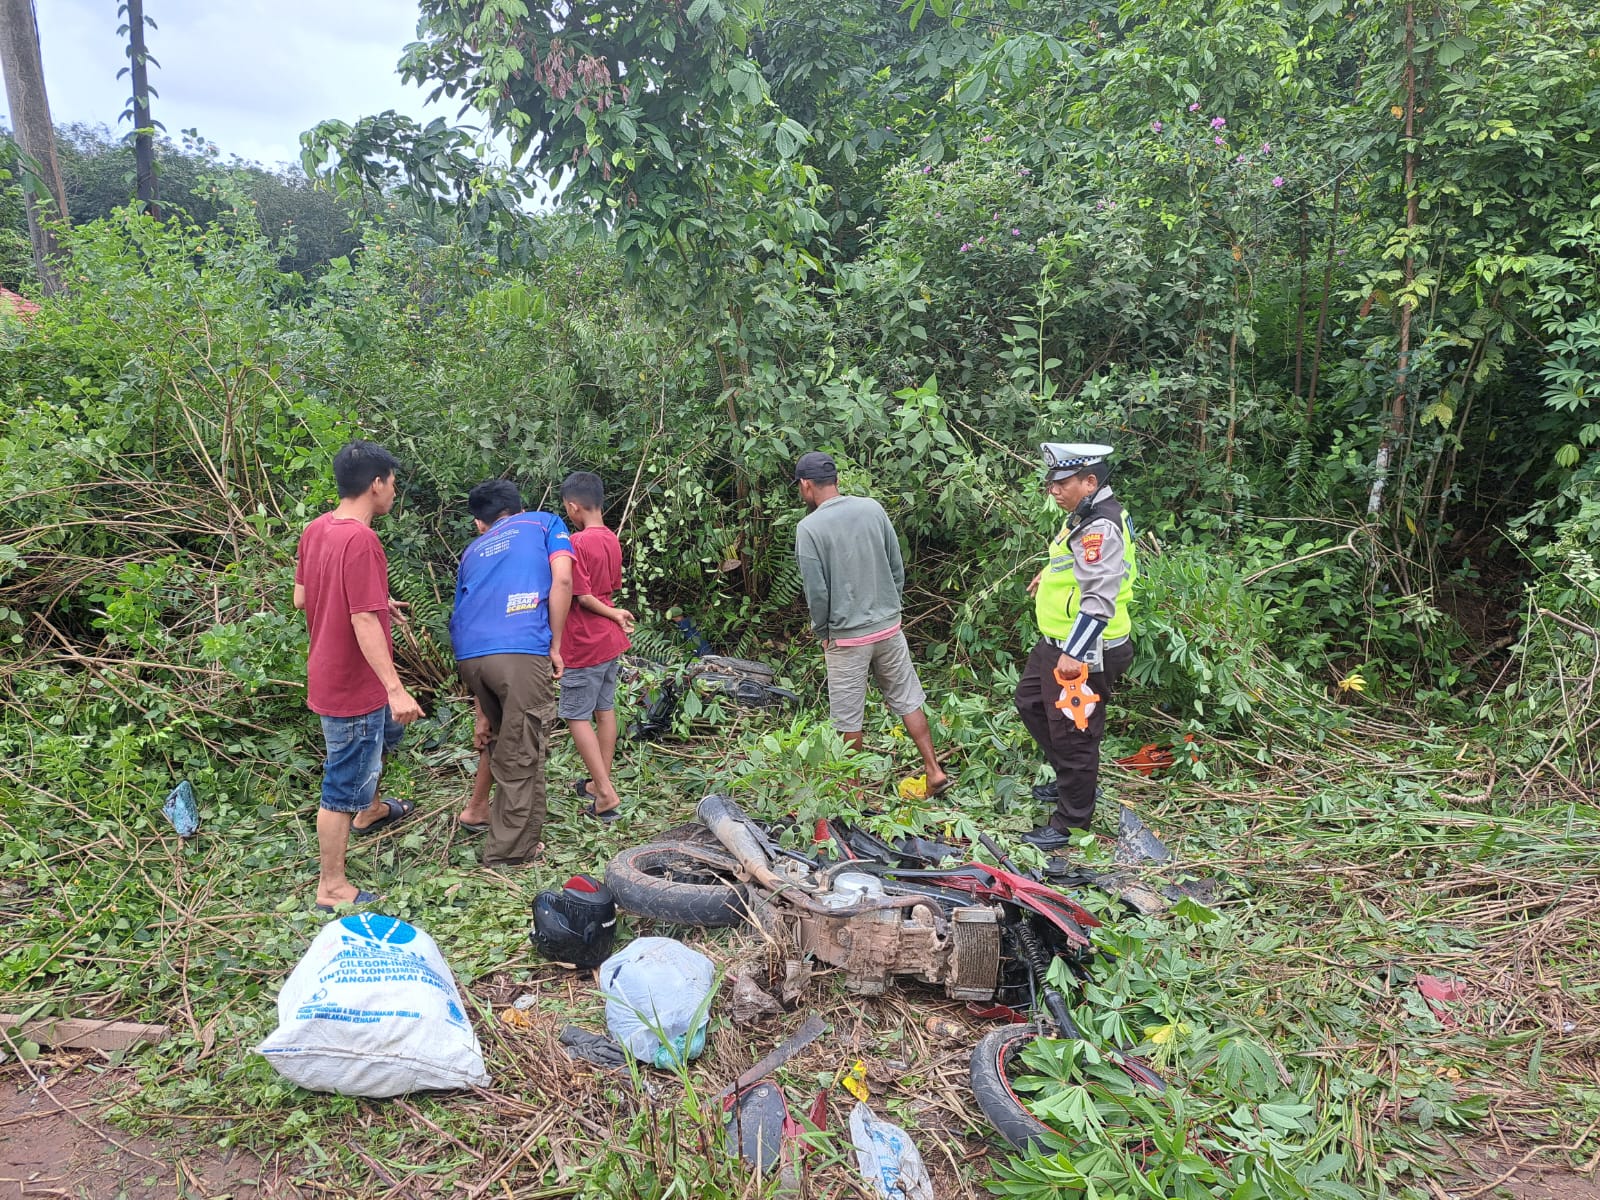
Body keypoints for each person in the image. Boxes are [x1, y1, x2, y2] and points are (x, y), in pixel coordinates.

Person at [293, 439, 423, 912]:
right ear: (376, 484)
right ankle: (331, 885)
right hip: (354, 685)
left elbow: (303, 599)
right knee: (343, 779)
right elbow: (361, 621)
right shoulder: (362, 540)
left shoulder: (317, 530)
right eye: (392, 482)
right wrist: (396, 688)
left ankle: (369, 810)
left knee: (381, 743)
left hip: (328, 672)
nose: (394, 490)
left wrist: (376, 600)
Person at [793, 451, 950, 794]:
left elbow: (816, 592)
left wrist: (823, 633)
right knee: (908, 698)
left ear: (807, 485)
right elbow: (897, 564)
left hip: (847, 639)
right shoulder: (872, 508)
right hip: (889, 627)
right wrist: (891, 607)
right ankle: (933, 769)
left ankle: (854, 792)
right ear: (834, 479)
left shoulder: (809, 528)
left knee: (848, 717)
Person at [1014, 443, 1138, 851]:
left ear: (1090, 482)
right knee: (1031, 702)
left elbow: (1100, 595)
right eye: (1051, 483)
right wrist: (1047, 574)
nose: (1054, 490)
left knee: (1074, 734)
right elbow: (1074, 564)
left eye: (1062, 483)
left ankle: (1071, 822)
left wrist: (1074, 653)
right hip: (1056, 642)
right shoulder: (1085, 515)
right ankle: (1074, 782)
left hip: (1083, 649)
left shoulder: (1100, 526)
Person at [450, 479, 573, 866]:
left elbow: (464, 611)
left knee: (506, 735)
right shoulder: (545, 523)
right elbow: (564, 579)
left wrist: (479, 709)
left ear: (480, 523)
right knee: (524, 749)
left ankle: (484, 812)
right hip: (520, 649)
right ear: (518, 507)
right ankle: (511, 853)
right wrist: (554, 644)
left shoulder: (472, 550)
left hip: (471, 657)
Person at [558, 471, 634, 821]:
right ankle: (598, 781)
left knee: (575, 715)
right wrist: (614, 613)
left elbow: (584, 596)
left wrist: (613, 613)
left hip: (585, 641)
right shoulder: (612, 540)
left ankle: (605, 794)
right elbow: (609, 587)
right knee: (605, 710)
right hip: (608, 643)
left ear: (573, 507)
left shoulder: (576, 543)